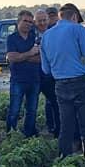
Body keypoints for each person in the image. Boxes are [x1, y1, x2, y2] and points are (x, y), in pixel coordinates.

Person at [40, 3, 85, 167]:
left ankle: (64, 165)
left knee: (66, 126)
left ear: (60, 17)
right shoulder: (77, 30)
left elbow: (45, 69)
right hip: (82, 82)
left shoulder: (46, 35)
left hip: (60, 84)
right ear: (74, 16)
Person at [6, 10, 41, 137]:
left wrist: (21, 56)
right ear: (18, 22)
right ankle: (11, 135)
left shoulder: (34, 37)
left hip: (34, 79)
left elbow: (40, 59)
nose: (28, 24)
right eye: (25, 21)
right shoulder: (12, 38)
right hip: (18, 80)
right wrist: (30, 53)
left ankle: (29, 134)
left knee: (32, 110)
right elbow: (12, 58)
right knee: (14, 110)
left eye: (30, 22)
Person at [34, 8, 60, 136]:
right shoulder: (30, 34)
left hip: (50, 75)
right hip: (34, 74)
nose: (42, 23)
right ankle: (31, 132)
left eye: (44, 20)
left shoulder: (54, 33)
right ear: (35, 21)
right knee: (32, 105)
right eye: (40, 21)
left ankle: (56, 129)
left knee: (55, 102)